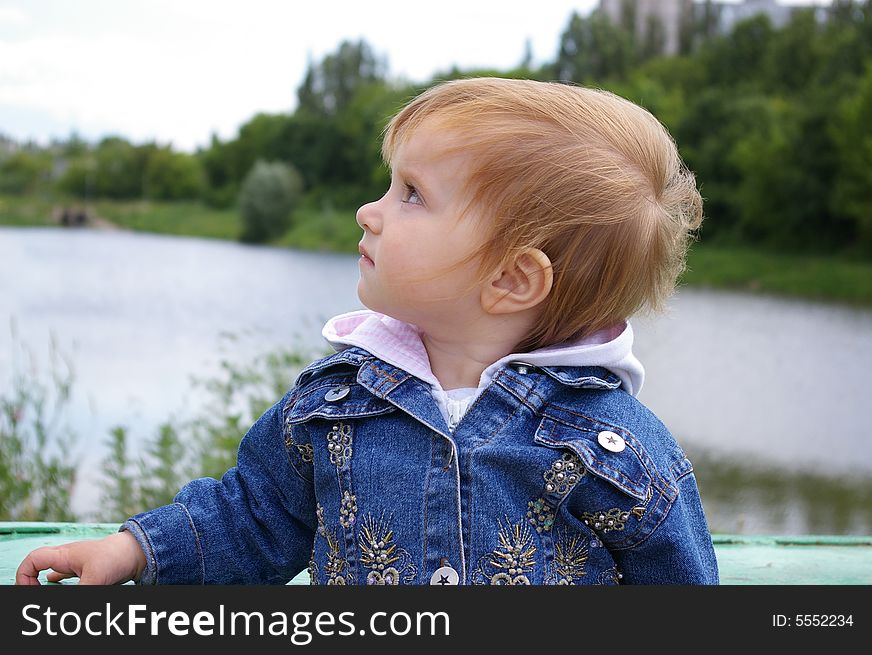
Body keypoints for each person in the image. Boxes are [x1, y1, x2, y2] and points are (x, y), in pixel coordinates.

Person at [16, 78, 718, 586]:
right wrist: (134, 551)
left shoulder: (615, 451)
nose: (368, 211)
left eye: (411, 194)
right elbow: (254, 517)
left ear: (511, 279)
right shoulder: (335, 403)